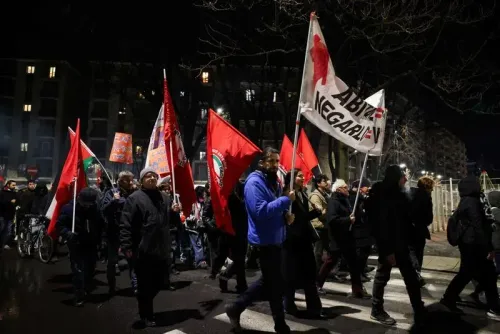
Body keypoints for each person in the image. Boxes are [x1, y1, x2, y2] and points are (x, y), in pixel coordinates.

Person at [225, 147, 295, 334]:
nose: (275, 165)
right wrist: (285, 201)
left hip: (276, 239)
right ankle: (240, 308)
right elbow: (260, 212)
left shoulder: (274, 182)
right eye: (271, 161)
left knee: (273, 284)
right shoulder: (254, 183)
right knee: (273, 284)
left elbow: (275, 209)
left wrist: (285, 217)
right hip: (264, 243)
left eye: (277, 161)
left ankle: (240, 308)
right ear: (261, 163)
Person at [120, 167, 181, 328]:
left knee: (161, 281)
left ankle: (144, 299)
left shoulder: (165, 198)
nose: (152, 179)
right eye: (148, 176)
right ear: (142, 181)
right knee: (145, 284)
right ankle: (146, 314)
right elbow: (126, 224)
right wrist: (127, 245)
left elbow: (172, 222)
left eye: (154, 176)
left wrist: (175, 212)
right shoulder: (134, 199)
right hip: (143, 249)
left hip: (162, 248)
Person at [369, 165, 426, 327]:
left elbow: (405, 220)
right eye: (402, 176)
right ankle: (376, 309)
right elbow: (381, 226)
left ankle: (418, 308)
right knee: (382, 277)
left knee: (411, 279)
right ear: (395, 177)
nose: (406, 179)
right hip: (389, 246)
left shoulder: (398, 194)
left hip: (402, 244)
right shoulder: (383, 195)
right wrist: (387, 251)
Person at [441, 176, 500, 319]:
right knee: (477, 274)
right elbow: (478, 226)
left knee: (477, 274)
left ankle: (449, 298)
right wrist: (488, 248)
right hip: (474, 244)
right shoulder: (473, 202)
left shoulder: (468, 200)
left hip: (471, 243)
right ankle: (494, 307)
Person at [316, 179, 370, 298]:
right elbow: (332, 220)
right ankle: (317, 284)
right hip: (338, 238)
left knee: (353, 263)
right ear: (338, 189)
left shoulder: (345, 200)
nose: (347, 189)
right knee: (330, 261)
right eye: (345, 187)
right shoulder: (334, 201)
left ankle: (357, 290)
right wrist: (347, 220)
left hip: (347, 237)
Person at [283, 169, 322, 317]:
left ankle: (315, 308)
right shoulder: (287, 194)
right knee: (291, 274)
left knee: (309, 274)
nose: (303, 178)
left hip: (304, 239)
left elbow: (303, 217)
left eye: (302, 176)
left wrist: (315, 212)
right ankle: (288, 304)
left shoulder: (303, 193)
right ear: (292, 178)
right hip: (292, 241)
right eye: (299, 176)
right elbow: (294, 218)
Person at [56, 188, 103, 306]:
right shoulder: (69, 209)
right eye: (85, 204)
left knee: (90, 268)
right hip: (76, 243)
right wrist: (67, 234)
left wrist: (102, 239)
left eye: (90, 204)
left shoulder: (95, 208)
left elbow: (101, 224)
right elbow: (59, 225)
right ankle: (79, 294)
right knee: (78, 270)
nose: (87, 206)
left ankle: (86, 287)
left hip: (91, 243)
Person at [101, 170, 135, 295]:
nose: (130, 182)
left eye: (131, 179)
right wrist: (114, 202)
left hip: (129, 232)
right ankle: (111, 286)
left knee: (133, 260)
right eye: (127, 180)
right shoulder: (111, 193)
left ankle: (135, 285)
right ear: (120, 181)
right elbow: (104, 210)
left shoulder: (134, 193)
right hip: (114, 232)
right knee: (112, 260)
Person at [214, 180, 249, 293]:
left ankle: (237, 282)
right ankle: (239, 284)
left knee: (240, 260)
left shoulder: (241, 189)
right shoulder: (229, 196)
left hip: (242, 231)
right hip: (232, 233)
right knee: (239, 260)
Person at [409, 176, 434, 286]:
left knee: (412, 251)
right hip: (420, 228)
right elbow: (428, 216)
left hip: (410, 227)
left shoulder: (410, 193)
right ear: (427, 186)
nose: (432, 189)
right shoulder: (426, 197)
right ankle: (416, 273)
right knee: (417, 253)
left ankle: (415, 273)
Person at [309, 174, 330, 272]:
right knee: (318, 252)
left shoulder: (325, 194)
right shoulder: (315, 196)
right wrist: (330, 209)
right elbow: (319, 212)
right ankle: (316, 273)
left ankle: (325, 272)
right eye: (324, 181)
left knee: (330, 251)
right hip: (319, 227)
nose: (327, 183)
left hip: (325, 226)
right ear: (318, 183)